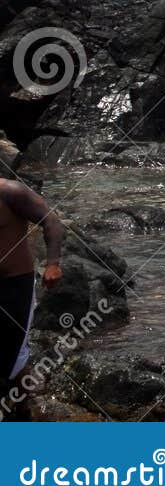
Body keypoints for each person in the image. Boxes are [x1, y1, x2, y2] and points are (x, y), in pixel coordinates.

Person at [0, 175, 64, 422]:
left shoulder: (12, 192)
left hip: (14, 286)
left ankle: (24, 410)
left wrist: (53, 264)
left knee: (15, 353)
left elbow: (52, 223)